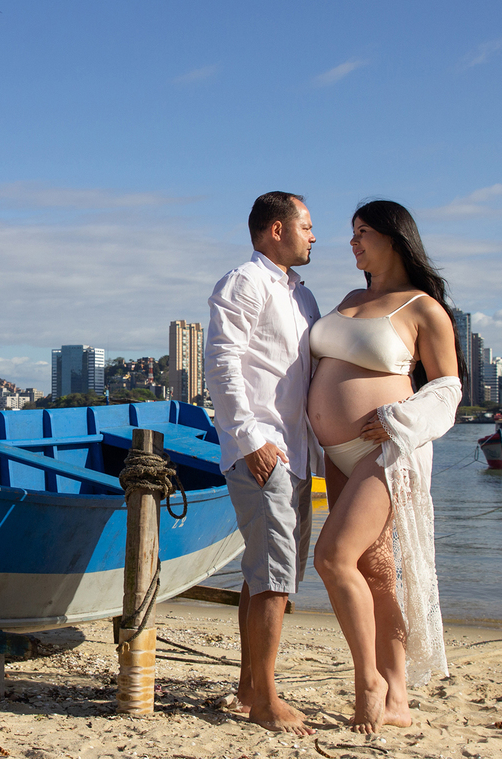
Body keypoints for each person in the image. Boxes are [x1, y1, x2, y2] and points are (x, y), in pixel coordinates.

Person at [307, 200, 464, 733]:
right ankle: (397, 697)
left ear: (394, 237)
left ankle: (369, 680)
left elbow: (448, 392)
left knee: (332, 558)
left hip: (389, 449)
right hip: (336, 452)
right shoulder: (349, 299)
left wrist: (399, 416)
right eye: (350, 233)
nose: (352, 242)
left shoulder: (423, 308)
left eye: (362, 232)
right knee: (375, 571)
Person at [204, 191, 320, 736]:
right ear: (277, 230)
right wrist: (250, 440)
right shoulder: (243, 282)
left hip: (298, 453)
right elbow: (222, 364)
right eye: (306, 225)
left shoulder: (303, 297)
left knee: (269, 573)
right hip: (262, 448)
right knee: (273, 577)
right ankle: (266, 701)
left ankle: (251, 683)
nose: (313, 235)